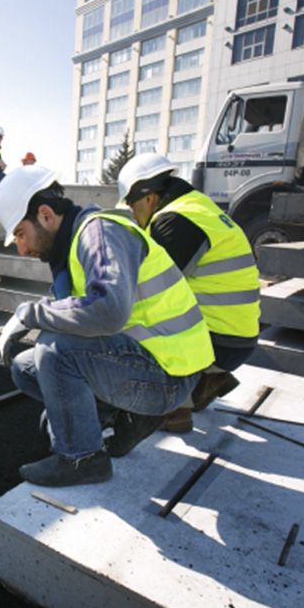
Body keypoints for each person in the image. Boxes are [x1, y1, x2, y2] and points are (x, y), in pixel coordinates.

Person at [0, 166, 214, 487]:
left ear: (44, 215)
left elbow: (107, 310)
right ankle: (116, 418)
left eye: (20, 234)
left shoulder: (99, 233)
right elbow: (77, 312)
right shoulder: (75, 244)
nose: (22, 249)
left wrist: (30, 314)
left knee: (54, 350)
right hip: (149, 360)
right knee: (25, 367)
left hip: (171, 375)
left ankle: (82, 460)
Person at [117, 154, 260, 432]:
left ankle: (173, 408)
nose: (133, 216)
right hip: (238, 336)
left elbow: (147, 292)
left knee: (130, 320)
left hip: (219, 342)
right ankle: (207, 380)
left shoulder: (175, 221)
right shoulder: (202, 208)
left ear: (148, 197)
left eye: (132, 207)